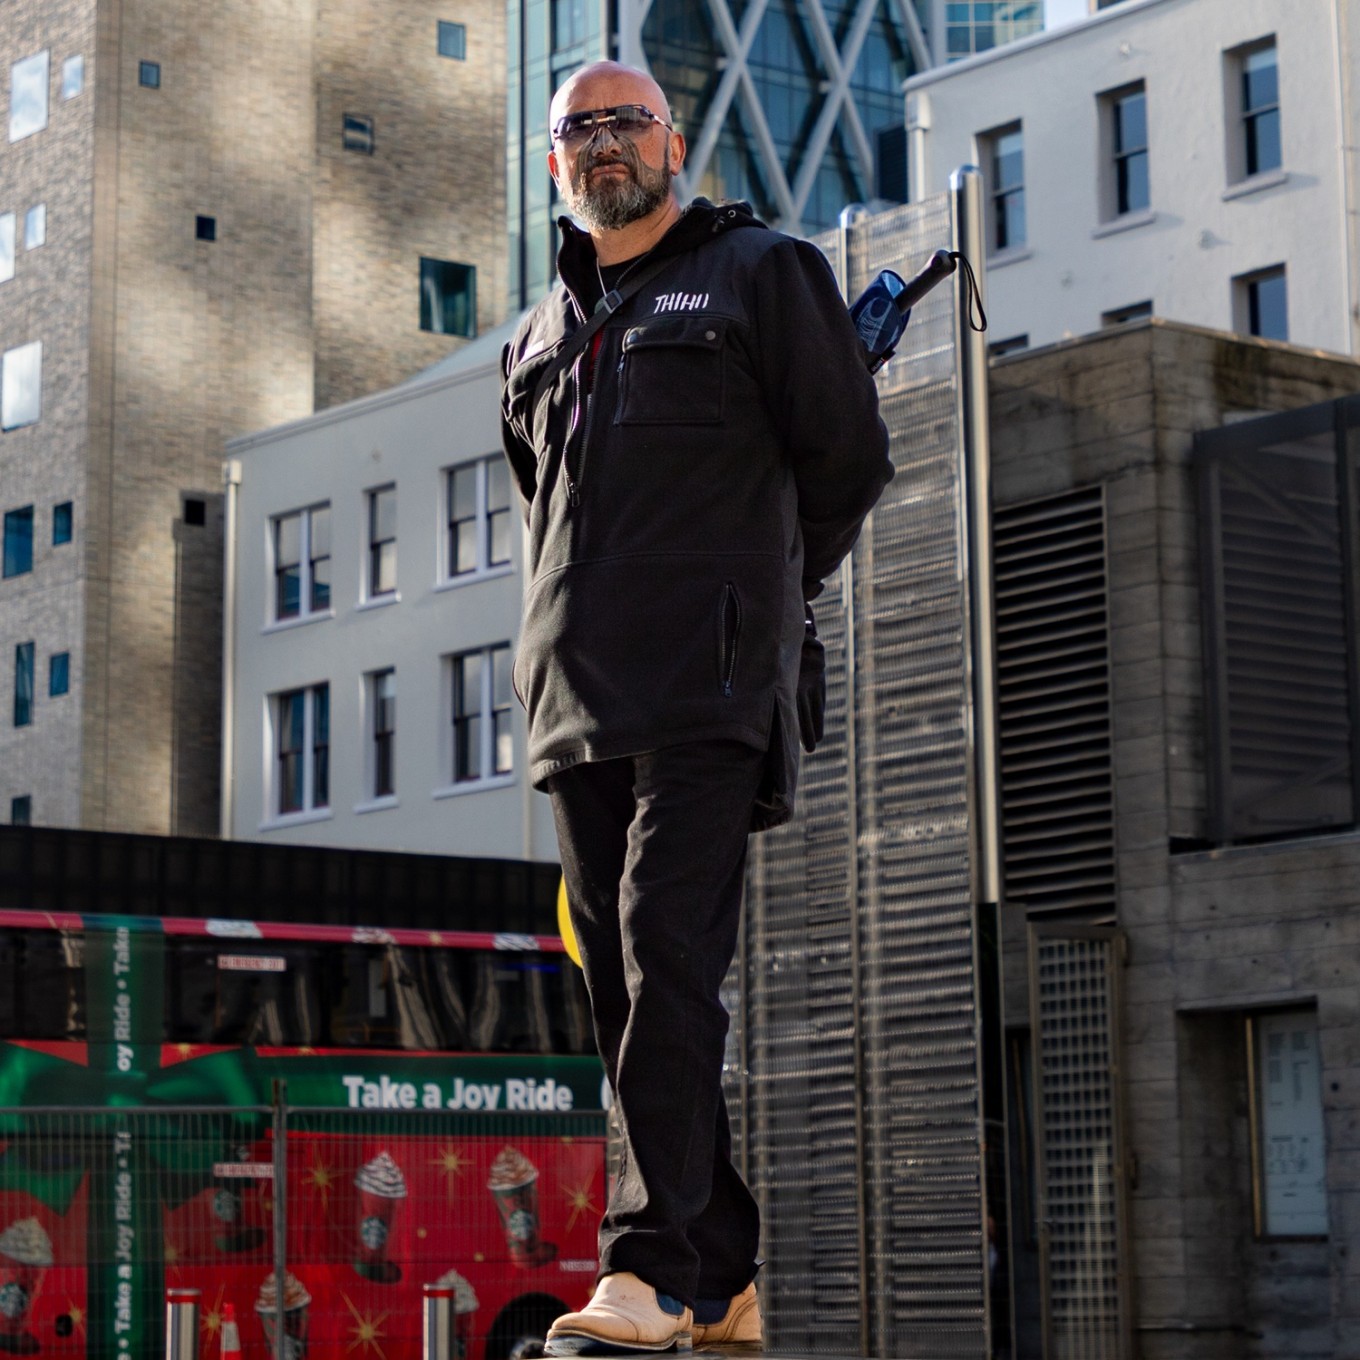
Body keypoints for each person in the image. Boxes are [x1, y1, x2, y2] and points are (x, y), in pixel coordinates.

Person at [499, 61, 892, 1356]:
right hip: (572, 700)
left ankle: (649, 1271)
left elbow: (845, 463)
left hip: (707, 691)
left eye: (627, 122)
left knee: (671, 960)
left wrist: (756, 599)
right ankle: (719, 1276)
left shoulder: (759, 274)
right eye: (579, 129)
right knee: (621, 991)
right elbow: (545, 513)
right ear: (555, 161)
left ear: (674, 141)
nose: (605, 144)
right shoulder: (534, 338)